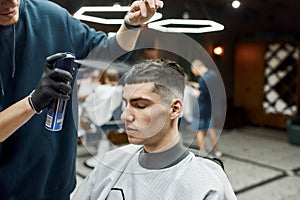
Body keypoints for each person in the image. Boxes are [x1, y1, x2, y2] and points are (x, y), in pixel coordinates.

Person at [0, 0, 163, 199]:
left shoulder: (52, 17)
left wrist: (131, 24)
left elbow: (108, 53)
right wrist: (33, 102)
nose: (10, 4)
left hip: (54, 185)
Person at [72, 59, 236, 200]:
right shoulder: (111, 161)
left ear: (175, 109)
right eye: (125, 103)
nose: (125, 116)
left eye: (140, 105)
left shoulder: (205, 184)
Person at [190, 59, 223, 157]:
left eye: (194, 71)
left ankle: (203, 151)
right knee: (211, 129)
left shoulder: (202, 79)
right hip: (210, 108)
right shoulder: (213, 75)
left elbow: (202, 95)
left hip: (200, 109)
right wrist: (198, 86)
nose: (195, 74)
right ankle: (217, 150)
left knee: (199, 131)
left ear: (196, 68)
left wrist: (196, 93)